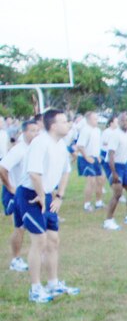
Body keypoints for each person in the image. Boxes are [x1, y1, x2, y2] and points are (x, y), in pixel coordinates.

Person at [15, 108, 80, 303]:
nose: (68, 124)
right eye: (64, 121)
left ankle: (53, 284)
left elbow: (66, 171)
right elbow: (34, 173)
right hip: (30, 195)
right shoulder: (40, 143)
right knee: (40, 241)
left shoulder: (60, 144)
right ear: (53, 125)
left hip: (47, 195)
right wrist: (42, 196)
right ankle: (35, 289)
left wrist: (59, 196)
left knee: (53, 241)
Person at [0, 118, 41, 273]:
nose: (35, 134)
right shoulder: (19, 150)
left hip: (28, 192)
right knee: (20, 227)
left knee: (30, 227)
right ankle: (15, 259)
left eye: (37, 130)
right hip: (17, 193)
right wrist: (10, 187)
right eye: (32, 131)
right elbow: (2, 168)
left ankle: (35, 255)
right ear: (24, 132)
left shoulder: (35, 148)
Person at [102, 113, 127, 231]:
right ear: (118, 122)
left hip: (124, 165)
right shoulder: (115, 135)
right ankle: (108, 221)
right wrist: (114, 173)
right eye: (123, 120)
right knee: (118, 193)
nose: (125, 122)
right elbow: (111, 155)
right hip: (114, 165)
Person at [74, 111, 104, 212]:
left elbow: (98, 145)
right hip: (86, 158)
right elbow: (80, 146)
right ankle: (87, 204)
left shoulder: (97, 130)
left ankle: (99, 202)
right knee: (91, 181)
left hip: (95, 158)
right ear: (89, 120)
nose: (97, 120)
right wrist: (86, 157)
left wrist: (98, 156)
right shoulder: (85, 130)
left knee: (100, 180)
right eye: (95, 119)